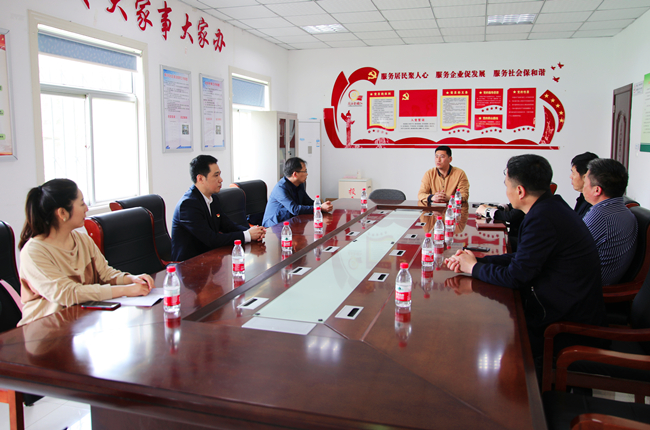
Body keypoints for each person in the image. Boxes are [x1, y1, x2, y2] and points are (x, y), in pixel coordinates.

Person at [445, 154, 606, 363]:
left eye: (507, 186)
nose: (506, 191)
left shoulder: (542, 219)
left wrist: (473, 269)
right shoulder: (551, 207)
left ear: (520, 191)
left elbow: (516, 277)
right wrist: (477, 261)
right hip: (561, 306)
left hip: (564, 327)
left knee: (478, 335)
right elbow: (523, 258)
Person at [17, 179, 153, 326]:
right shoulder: (34, 252)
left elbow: (105, 274)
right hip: (44, 330)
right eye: (81, 203)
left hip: (79, 323)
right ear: (62, 212)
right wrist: (125, 290)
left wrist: (131, 279)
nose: (86, 208)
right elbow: (68, 293)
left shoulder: (82, 240)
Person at [171, 155, 265, 261]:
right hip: (189, 264)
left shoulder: (213, 198)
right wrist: (247, 235)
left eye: (219, 174)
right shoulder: (188, 205)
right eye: (216, 175)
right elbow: (211, 239)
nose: (221, 180)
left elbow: (227, 225)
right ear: (200, 179)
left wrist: (253, 231)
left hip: (210, 259)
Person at [582, 158, 637, 285]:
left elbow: (569, 250)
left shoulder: (600, 215)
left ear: (597, 190)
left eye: (585, 182)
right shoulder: (620, 209)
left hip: (591, 285)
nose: (583, 186)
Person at [262, 157, 333, 227]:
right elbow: (294, 209)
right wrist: (319, 208)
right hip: (274, 226)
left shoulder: (299, 184)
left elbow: (307, 201)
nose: (307, 174)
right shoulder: (281, 188)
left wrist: (322, 205)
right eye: (305, 171)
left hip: (291, 221)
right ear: (295, 174)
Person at [570, 152, 599, 218]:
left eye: (573, 173)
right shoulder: (583, 197)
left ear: (586, 176)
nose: (571, 177)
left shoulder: (594, 204)